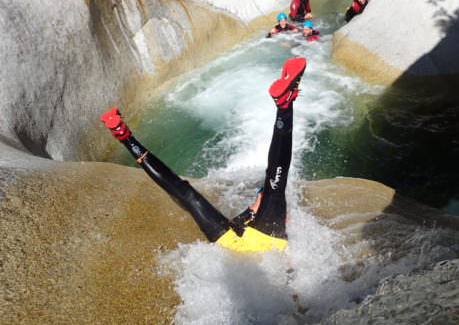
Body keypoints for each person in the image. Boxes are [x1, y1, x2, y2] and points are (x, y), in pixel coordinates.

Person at [100, 58, 307, 253]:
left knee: (189, 195)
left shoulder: (249, 219)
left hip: (233, 241)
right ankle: (285, 105)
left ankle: (123, 134)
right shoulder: (270, 223)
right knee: (189, 195)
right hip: (240, 243)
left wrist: (252, 211)